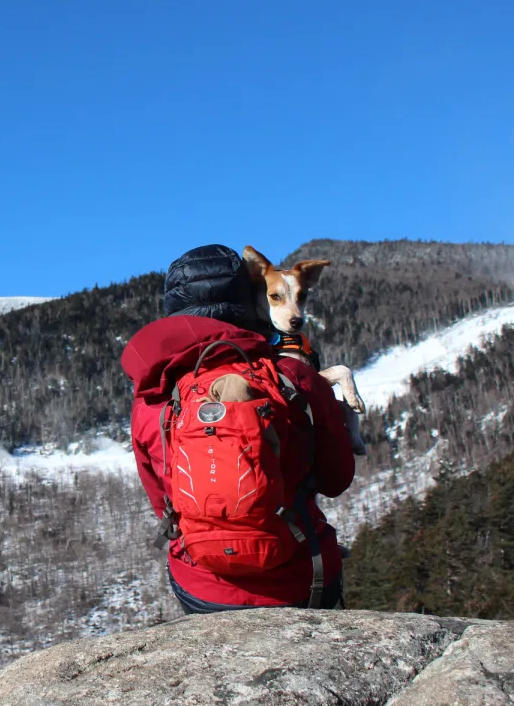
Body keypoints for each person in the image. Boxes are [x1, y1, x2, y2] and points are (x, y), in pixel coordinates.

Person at [120, 244, 355, 613]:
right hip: (301, 578)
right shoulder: (295, 376)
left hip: (203, 587)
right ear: (250, 300)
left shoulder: (150, 398)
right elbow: (337, 479)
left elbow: (162, 504)